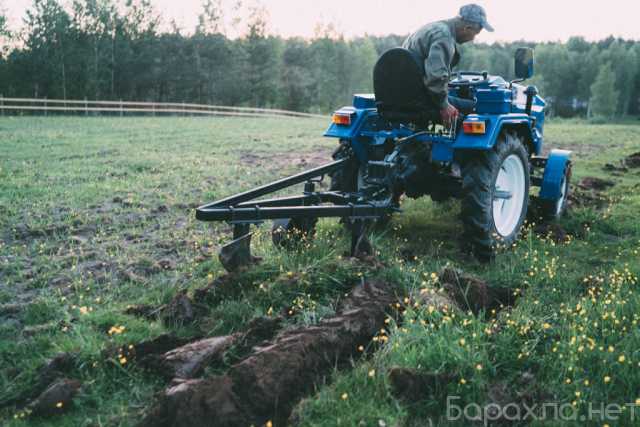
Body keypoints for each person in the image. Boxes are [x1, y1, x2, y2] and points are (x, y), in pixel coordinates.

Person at [402, 4, 494, 126]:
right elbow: (436, 76)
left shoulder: (433, 28)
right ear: (467, 28)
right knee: (475, 109)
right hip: (421, 99)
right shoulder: (444, 37)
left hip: (408, 94)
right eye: (475, 34)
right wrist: (444, 106)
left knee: (462, 103)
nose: (473, 39)